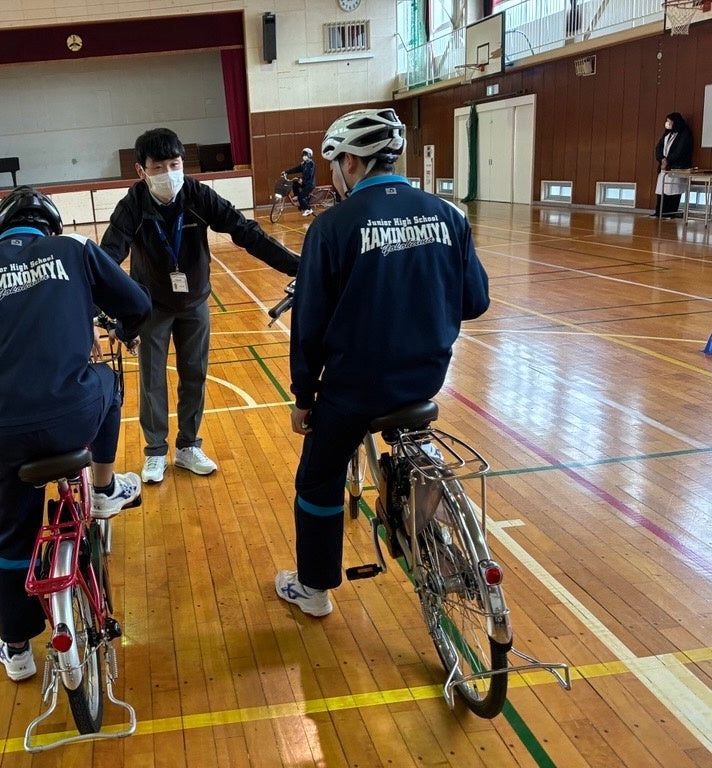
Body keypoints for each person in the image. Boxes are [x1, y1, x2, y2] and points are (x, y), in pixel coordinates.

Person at [0, 186, 151, 680]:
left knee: (9, 535)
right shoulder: (76, 251)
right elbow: (137, 304)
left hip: (8, 435)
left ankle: (18, 649)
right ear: (50, 225)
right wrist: (124, 329)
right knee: (108, 380)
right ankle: (106, 486)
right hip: (76, 415)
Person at [274, 108, 490, 617]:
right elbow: (475, 301)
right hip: (426, 376)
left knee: (317, 477)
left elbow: (308, 330)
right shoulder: (447, 215)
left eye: (334, 164)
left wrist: (304, 398)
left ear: (350, 161)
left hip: (356, 388)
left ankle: (314, 589)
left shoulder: (332, 228)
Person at [101, 127, 299, 484]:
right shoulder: (131, 205)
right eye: (158, 167)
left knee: (194, 375)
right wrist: (96, 301)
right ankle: (155, 452)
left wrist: (298, 266)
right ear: (141, 171)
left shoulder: (197, 195)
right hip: (152, 306)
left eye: (174, 164)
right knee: (152, 381)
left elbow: (245, 232)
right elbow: (108, 257)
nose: (168, 174)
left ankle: (188, 446)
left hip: (195, 303)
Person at [652, 112, 693, 219]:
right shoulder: (667, 134)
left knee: (673, 190)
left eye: (670, 121)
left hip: (676, 167)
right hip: (664, 167)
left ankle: (670, 213)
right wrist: (661, 159)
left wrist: (668, 160)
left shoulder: (684, 133)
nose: (668, 123)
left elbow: (680, 151)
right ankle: (659, 212)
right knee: (661, 189)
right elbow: (659, 147)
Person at [283, 147, 316, 216]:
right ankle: (297, 197)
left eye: (305, 154)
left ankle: (308, 209)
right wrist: (286, 172)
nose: (304, 156)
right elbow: (296, 169)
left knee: (301, 196)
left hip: (309, 184)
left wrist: (302, 179)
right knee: (295, 184)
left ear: (309, 155)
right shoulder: (303, 164)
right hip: (304, 182)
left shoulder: (311, 164)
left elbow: (309, 173)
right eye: (303, 154)